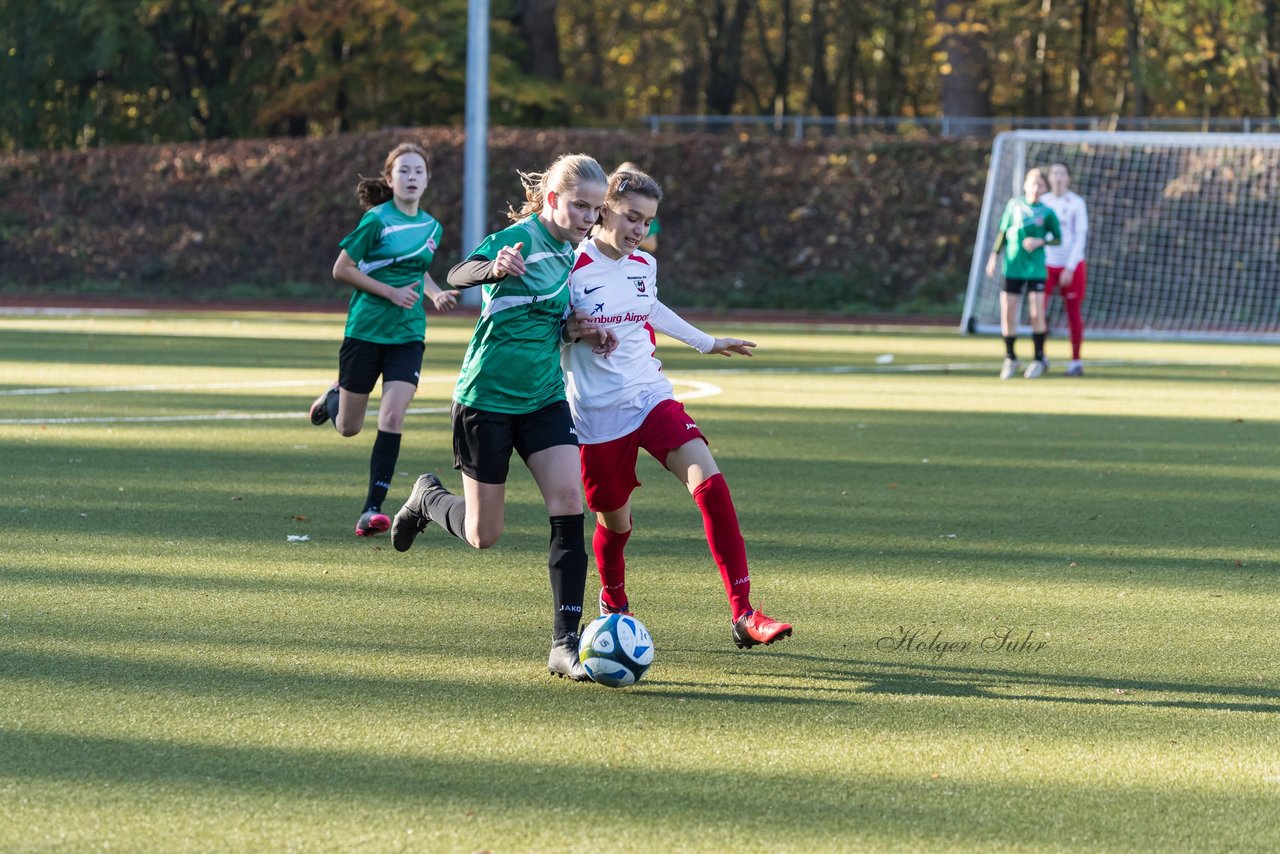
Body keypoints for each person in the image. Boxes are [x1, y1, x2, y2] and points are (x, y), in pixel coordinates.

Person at [390, 153, 614, 681]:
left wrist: (580, 331)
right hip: (485, 400)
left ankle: (565, 643)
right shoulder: (519, 239)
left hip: (542, 399)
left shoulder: (575, 254)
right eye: (580, 205)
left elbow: (548, 322)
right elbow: (457, 272)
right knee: (482, 534)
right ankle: (427, 497)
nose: (588, 217)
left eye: (596, 209)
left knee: (569, 504)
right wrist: (494, 267)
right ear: (554, 200)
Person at [562, 166, 793, 650]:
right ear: (604, 209)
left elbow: (653, 309)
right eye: (631, 217)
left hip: (651, 396)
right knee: (614, 523)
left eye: (647, 222)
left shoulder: (643, 266)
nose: (638, 231)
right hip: (598, 415)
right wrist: (576, 331)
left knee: (709, 482)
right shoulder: (571, 265)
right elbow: (550, 324)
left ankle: (744, 612)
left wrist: (707, 343)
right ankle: (614, 601)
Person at [307, 142, 460, 536]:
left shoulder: (432, 227)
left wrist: (434, 292)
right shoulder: (376, 220)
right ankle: (334, 397)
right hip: (365, 330)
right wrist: (389, 293)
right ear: (390, 180)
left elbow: (418, 271)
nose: (412, 178)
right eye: (404, 171)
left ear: (427, 180)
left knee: (392, 415)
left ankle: (371, 510)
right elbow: (341, 268)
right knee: (349, 428)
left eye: (418, 171)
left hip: (408, 334)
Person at [985, 168, 1061, 379]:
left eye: (1041, 185)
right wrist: (994, 255)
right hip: (1013, 266)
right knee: (1008, 312)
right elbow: (1003, 232)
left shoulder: (1047, 212)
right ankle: (1010, 357)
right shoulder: (1014, 205)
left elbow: (1058, 238)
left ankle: (1038, 359)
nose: (1036, 188)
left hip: (1036, 268)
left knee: (1036, 313)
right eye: (1033, 183)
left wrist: (1041, 241)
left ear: (1046, 188)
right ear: (1025, 184)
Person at [1041, 162, 1089, 376]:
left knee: (1073, 313)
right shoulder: (1043, 202)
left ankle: (1076, 362)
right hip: (1045, 265)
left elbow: (1080, 236)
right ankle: (1039, 356)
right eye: (1054, 173)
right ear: (1049, 178)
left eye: (1062, 173)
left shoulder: (1076, 203)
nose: (1058, 177)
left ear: (1068, 178)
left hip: (1072, 265)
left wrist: (1069, 266)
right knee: (1037, 311)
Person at [616, 161, 659, 253]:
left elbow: (652, 245)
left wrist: (629, 238)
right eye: (621, 177)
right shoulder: (604, 205)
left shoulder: (646, 211)